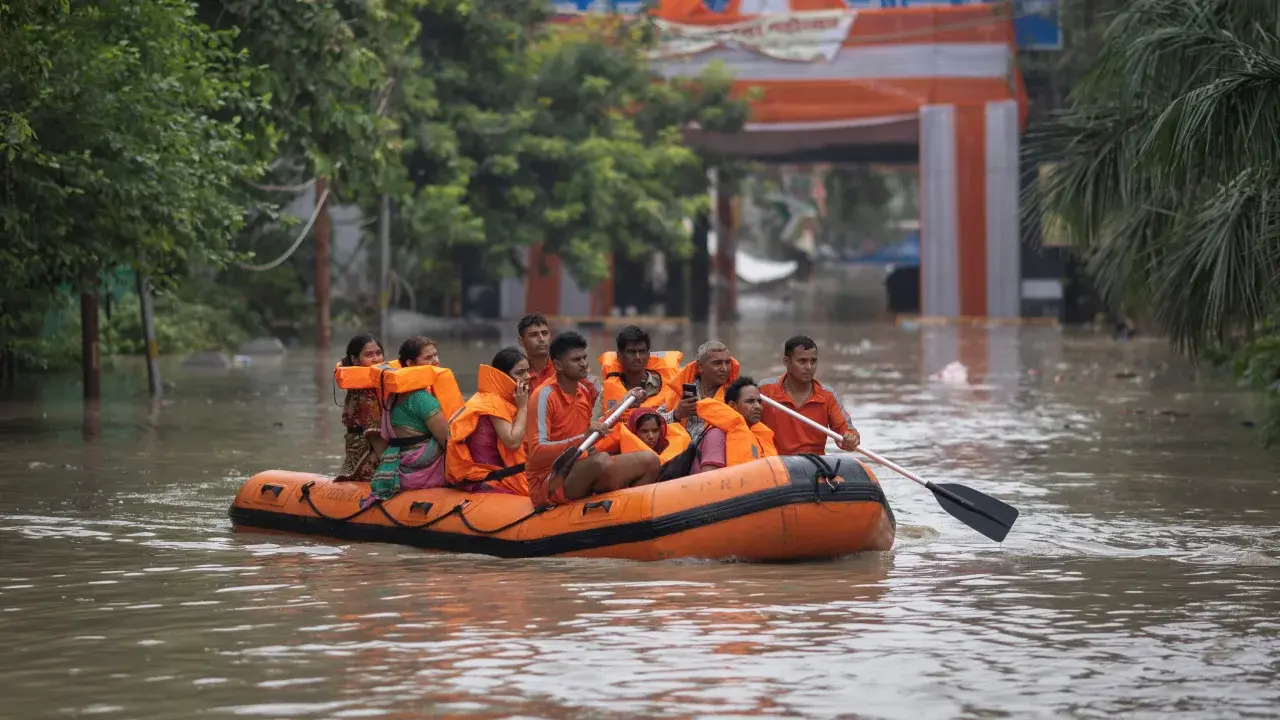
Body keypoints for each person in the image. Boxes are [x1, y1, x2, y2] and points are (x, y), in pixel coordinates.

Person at [524, 331, 659, 509]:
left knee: (650, 460)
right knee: (601, 461)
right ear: (558, 364)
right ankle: (614, 511)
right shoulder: (543, 396)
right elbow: (537, 452)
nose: (584, 364)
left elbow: (595, 428)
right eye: (576, 360)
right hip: (549, 479)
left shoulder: (583, 391)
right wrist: (581, 438)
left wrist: (624, 402)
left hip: (582, 465)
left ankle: (629, 514)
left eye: (584, 358)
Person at [366, 337, 452, 504]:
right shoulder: (421, 398)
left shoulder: (393, 395)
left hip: (401, 461)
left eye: (436, 355)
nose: (436, 361)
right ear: (411, 364)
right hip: (419, 464)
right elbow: (447, 441)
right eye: (428, 358)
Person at [445, 346, 531, 495]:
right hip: (487, 479)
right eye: (520, 372)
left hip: (496, 473)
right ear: (502, 376)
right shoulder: (493, 401)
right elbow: (512, 442)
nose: (528, 376)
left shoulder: (490, 396)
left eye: (527, 370)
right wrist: (523, 407)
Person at [758, 335, 860, 455]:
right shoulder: (764, 390)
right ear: (786, 361)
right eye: (802, 361)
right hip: (774, 465)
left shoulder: (827, 395)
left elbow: (846, 430)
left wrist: (851, 438)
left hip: (813, 467)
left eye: (813, 361)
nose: (809, 367)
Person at [689, 376, 778, 472]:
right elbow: (708, 482)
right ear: (732, 405)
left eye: (759, 402)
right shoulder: (716, 435)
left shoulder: (759, 436)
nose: (758, 406)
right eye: (750, 401)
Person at [599, 325, 683, 419]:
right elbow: (596, 426)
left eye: (642, 351)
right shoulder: (606, 393)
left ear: (648, 356)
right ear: (619, 356)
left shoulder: (670, 389)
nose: (637, 357)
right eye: (631, 352)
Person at [336, 333, 386, 483]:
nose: (376, 359)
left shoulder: (369, 384)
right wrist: (391, 467)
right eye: (369, 355)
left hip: (359, 453)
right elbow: (375, 435)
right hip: (367, 455)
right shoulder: (364, 392)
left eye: (378, 353)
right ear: (355, 360)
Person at [673, 340, 740, 438]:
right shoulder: (678, 389)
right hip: (680, 446)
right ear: (700, 366)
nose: (725, 369)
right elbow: (654, 421)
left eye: (727, 362)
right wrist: (677, 414)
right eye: (717, 363)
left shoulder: (736, 393)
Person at [617, 406, 692, 466]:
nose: (651, 436)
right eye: (644, 431)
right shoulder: (622, 459)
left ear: (660, 430)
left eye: (655, 430)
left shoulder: (667, 448)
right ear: (634, 431)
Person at [516, 313, 555, 391]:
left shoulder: (564, 368)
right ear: (521, 341)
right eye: (533, 335)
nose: (541, 339)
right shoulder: (515, 372)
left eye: (544, 333)